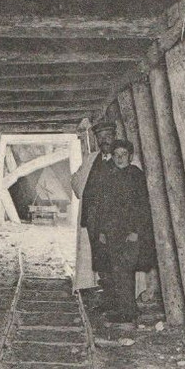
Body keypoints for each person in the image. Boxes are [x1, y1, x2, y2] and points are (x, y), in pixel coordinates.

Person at [96, 138, 156, 323]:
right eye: (116, 155)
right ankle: (122, 309)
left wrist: (136, 231)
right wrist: (103, 231)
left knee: (125, 270)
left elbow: (142, 207)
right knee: (116, 270)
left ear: (130, 156)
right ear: (112, 157)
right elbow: (103, 207)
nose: (120, 158)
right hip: (113, 231)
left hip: (130, 232)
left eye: (123, 155)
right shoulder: (109, 176)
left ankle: (128, 312)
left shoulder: (136, 176)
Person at [70, 118, 116, 300]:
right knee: (94, 253)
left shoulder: (123, 158)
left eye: (108, 136)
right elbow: (76, 179)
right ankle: (97, 287)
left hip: (114, 220)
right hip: (93, 217)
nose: (104, 140)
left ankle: (114, 295)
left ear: (115, 137)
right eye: (101, 137)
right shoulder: (91, 159)